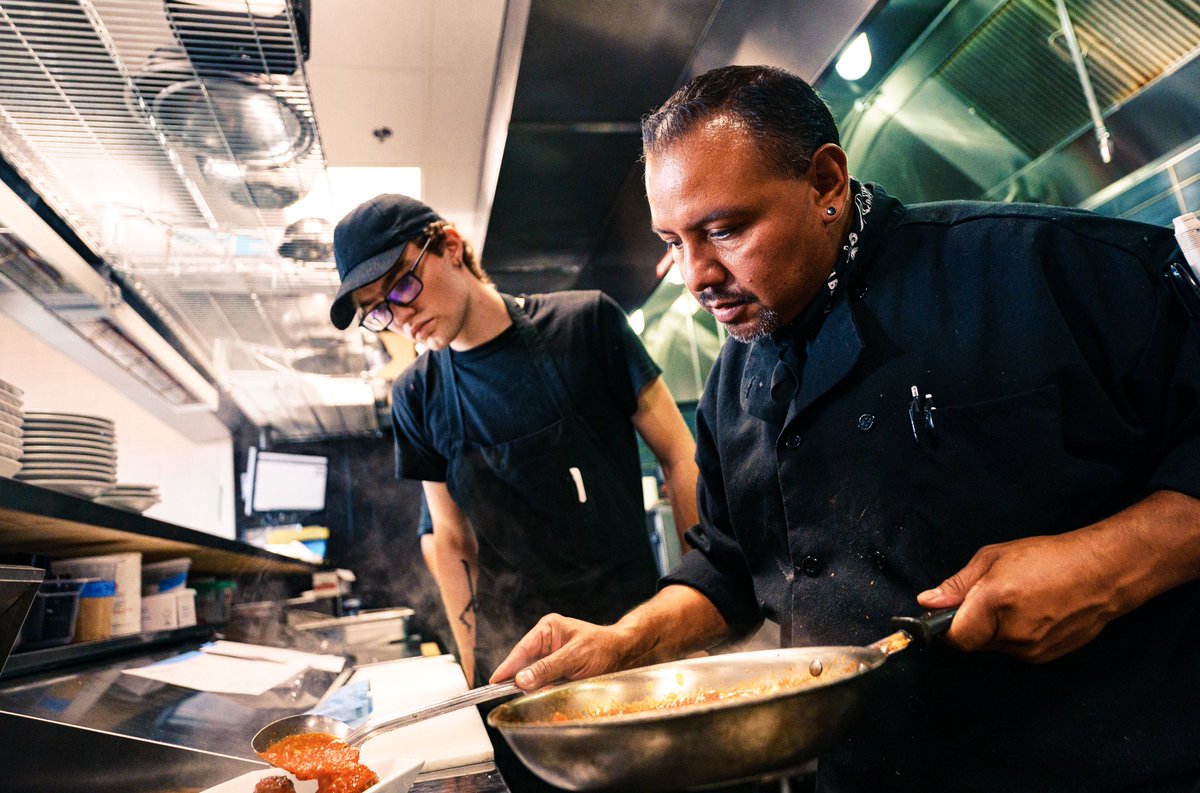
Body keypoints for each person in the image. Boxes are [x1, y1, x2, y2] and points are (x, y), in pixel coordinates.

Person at [492, 65, 1200, 792]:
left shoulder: (1037, 268)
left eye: (725, 229)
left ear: (827, 183)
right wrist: (621, 641)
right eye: (674, 242)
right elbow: (730, 566)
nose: (696, 276)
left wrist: (1110, 567)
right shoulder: (733, 382)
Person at [327, 194, 699, 689]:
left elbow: (679, 455)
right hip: (516, 667)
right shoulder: (416, 395)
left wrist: (697, 602)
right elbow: (450, 538)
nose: (399, 318)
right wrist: (470, 668)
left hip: (628, 639)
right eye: (376, 312)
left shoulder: (585, 324)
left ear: (451, 247)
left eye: (402, 286)